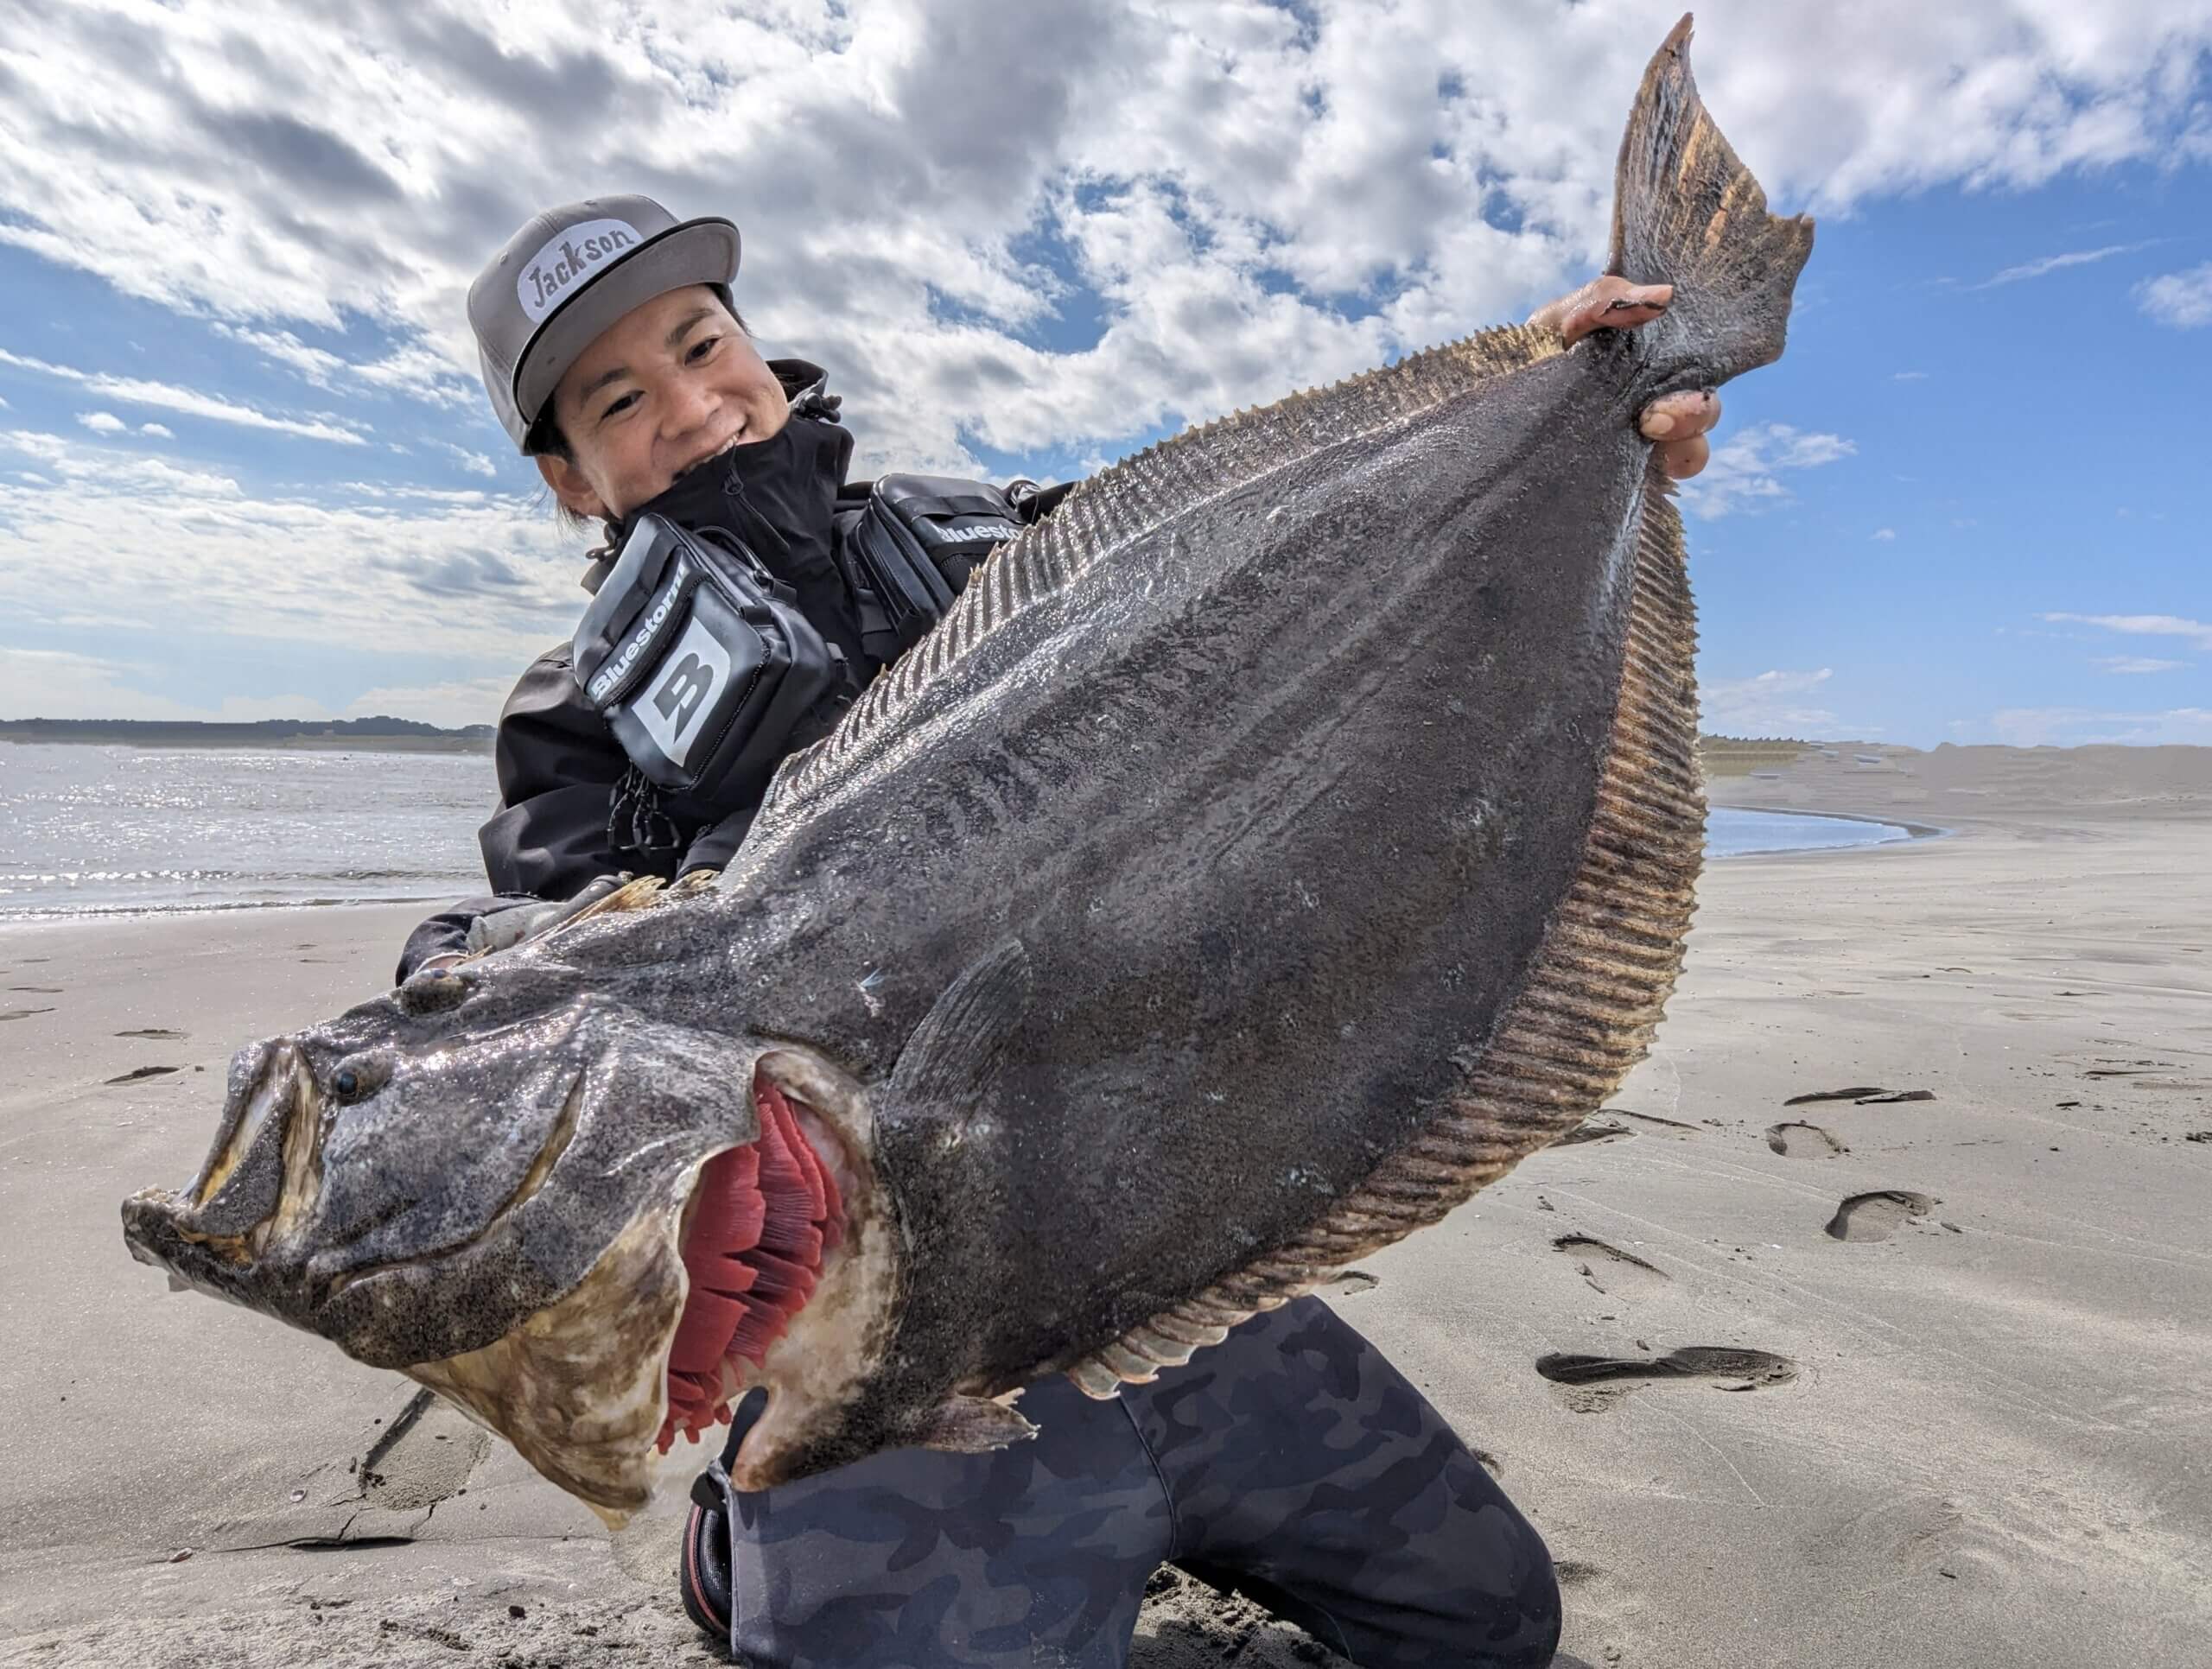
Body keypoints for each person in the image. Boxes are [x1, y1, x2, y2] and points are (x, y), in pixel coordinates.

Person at [410, 194, 1719, 1668]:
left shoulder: (998, 539)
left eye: (704, 345)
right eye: (620, 401)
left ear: (756, 343)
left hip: (1163, 1255)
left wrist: (1554, 389)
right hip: (896, 1369)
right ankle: (751, 1544)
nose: (694, 406)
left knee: (1485, 1621)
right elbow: (540, 1006)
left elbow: (1260, 556)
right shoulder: (578, 721)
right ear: (570, 478)